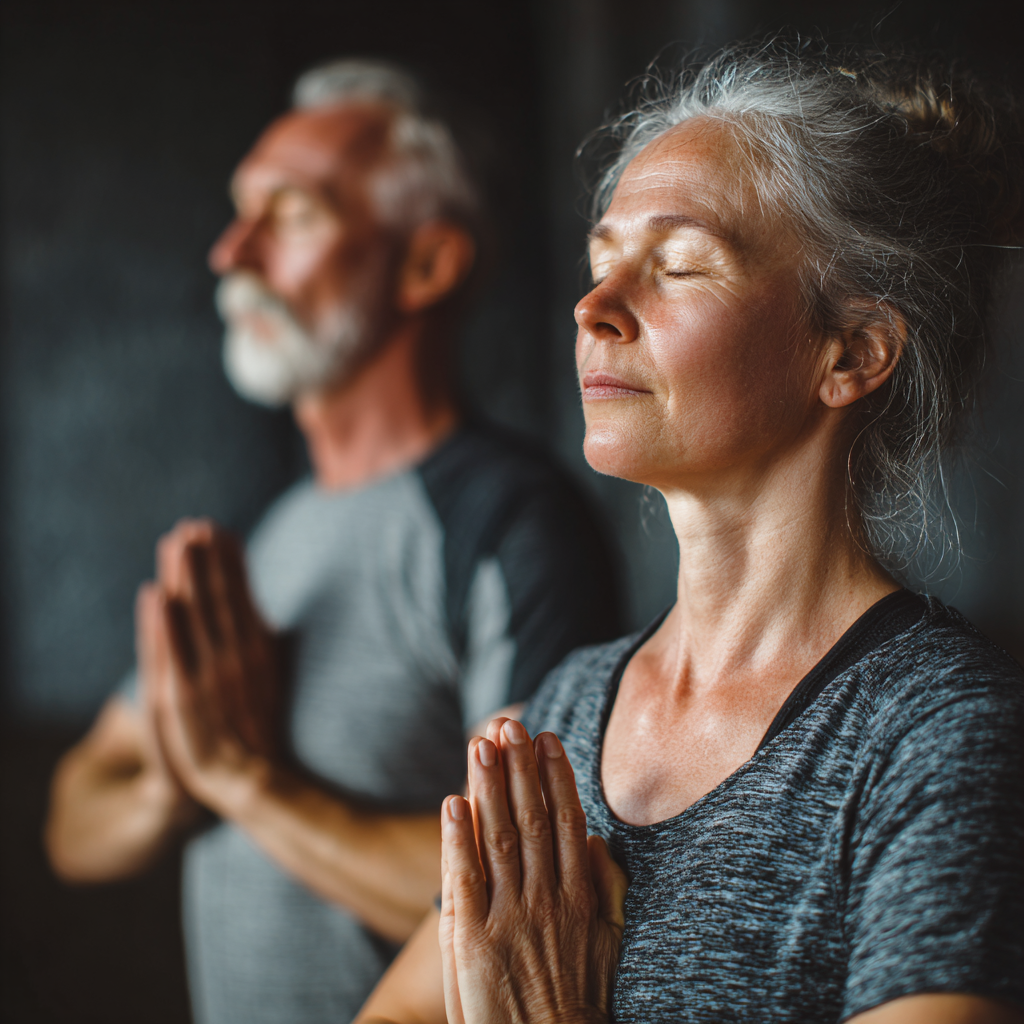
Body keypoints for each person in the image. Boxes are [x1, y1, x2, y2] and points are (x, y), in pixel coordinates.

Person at [355, 39, 1024, 1024]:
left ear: (849, 351)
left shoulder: (935, 733)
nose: (593, 308)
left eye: (676, 265)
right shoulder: (572, 708)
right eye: (600, 263)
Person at [45, 60, 621, 1024]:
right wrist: (185, 781)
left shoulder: (510, 520)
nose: (232, 252)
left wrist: (250, 781)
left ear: (426, 265)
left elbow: (537, 893)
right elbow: (73, 822)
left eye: (294, 214)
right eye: (240, 212)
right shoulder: (275, 534)